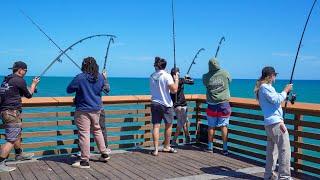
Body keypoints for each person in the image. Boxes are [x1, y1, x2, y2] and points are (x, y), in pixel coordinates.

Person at [67, 57, 110, 169]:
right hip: (97, 109)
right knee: (97, 130)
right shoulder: (100, 77)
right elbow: (105, 89)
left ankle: (85, 161)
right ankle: (104, 153)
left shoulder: (80, 77)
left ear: (83, 65)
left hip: (83, 110)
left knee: (84, 133)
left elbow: (69, 89)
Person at [0, 61, 40, 172]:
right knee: (11, 139)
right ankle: (0, 163)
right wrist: (33, 84)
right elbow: (29, 95)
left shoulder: (7, 80)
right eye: (25, 70)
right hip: (11, 113)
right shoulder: (19, 80)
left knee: (16, 133)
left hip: (5, 112)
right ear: (20, 70)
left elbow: (14, 92)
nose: (26, 72)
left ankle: (19, 155)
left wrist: (28, 88)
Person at [254, 66, 292, 180]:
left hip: (270, 125)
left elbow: (273, 101)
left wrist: (283, 96)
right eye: (274, 75)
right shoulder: (265, 87)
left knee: (272, 151)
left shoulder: (263, 88)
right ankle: (284, 177)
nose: (275, 77)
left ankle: (269, 175)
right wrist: (286, 90)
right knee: (285, 150)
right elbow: (276, 99)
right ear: (270, 76)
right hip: (276, 124)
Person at [150, 57, 179, 156]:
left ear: (156, 66)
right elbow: (174, 90)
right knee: (168, 125)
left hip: (154, 103)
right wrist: (176, 79)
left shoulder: (152, 76)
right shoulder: (167, 76)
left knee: (156, 126)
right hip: (166, 104)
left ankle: (156, 149)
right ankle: (166, 146)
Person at [202, 58, 231, 155]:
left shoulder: (205, 76)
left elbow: (205, 84)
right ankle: (225, 149)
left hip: (211, 105)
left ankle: (210, 147)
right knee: (224, 126)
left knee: (211, 126)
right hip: (224, 104)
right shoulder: (225, 73)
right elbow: (230, 81)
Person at [170, 67, 194, 146]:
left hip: (177, 105)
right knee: (181, 123)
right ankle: (174, 141)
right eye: (178, 73)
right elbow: (192, 82)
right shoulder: (180, 80)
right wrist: (188, 77)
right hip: (180, 106)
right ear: (176, 74)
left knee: (185, 121)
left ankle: (187, 137)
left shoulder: (170, 81)